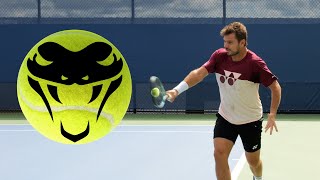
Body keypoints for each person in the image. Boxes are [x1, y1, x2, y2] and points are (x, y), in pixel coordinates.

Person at [166, 22, 281, 180]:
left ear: (243, 42)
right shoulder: (219, 57)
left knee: (253, 162)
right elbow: (199, 73)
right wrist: (176, 90)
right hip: (226, 117)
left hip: (250, 120)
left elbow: (275, 87)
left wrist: (272, 114)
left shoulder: (255, 64)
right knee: (219, 153)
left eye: (230, 42)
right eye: (225, 42)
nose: (226, 46)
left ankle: (258, 177)